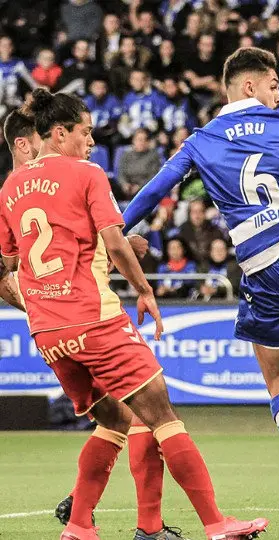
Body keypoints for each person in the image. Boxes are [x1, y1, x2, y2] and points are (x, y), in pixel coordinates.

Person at [0, 88, 267, 540]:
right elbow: (115, 240)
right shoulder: (85, 172)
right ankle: (216, 524)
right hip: (95, 318)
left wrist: (42, 304)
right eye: (85, 133)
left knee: (116, 419)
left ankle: (81, 525)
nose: (91, 142)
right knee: (161, 413)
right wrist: (144, 289)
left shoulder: (10, 187)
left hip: (48, 332)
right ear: (60, 133)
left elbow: (8, 268)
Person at [120, 47, 279, 526]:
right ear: (250, 85)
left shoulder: (200, 140)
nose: (278, 96)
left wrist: (117, 231)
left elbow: (154, 192)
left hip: (262, 264)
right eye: (273, 86)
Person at [2, 106, 189, 540]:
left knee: (119, 417)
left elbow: (50, 256)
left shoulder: (18, 192)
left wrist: (115, 249)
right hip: (81, 318)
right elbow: (16, 268)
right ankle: (148, 527)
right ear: (27, 143)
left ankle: (81, 514)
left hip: (53, 328)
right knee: (147, 410)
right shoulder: (51, 181)